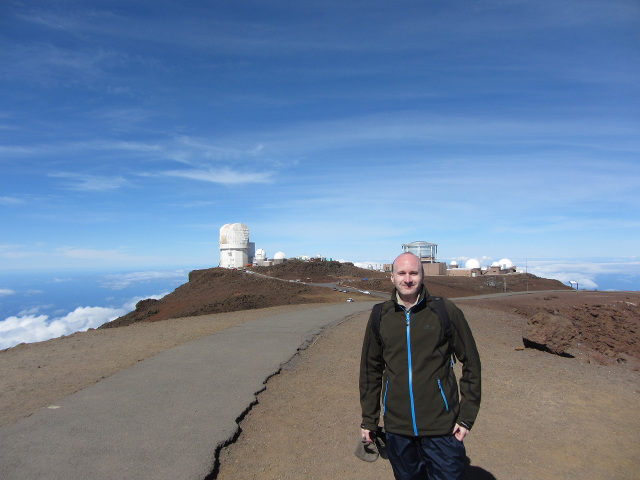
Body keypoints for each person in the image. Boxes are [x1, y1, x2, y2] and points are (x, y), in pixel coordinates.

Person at [359, 252, 481, 480]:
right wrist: (369, 419)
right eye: (402, 273)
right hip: (398, 430)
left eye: (413, 273)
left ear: (422, 276)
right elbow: (370, 370)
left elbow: (471, 362)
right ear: (392, 278)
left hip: (441, 428)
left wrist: (466, 417)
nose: (408, 279)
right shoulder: (380, 316)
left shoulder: (444, 311)